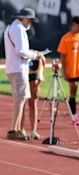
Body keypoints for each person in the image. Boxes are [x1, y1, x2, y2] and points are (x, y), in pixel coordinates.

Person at [4, 8, 45, 140]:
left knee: (19, 99)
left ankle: (16, 129)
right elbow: (21, 51)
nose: (31, 23)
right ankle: (13, 129)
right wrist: (35, 55)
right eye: (30, 20)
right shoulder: (19, 29)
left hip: (12, 67)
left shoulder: (10, 27)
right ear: (25, 18)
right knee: (20, 100)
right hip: (19, 68)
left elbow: (20, 50)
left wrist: (33, 53)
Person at [21, 58, 45, 140]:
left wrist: (37, 86)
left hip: (33, 75)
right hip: (22, 74)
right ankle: (20, 129)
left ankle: (33, 130)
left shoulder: (39, 60)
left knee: (33, 103)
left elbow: (41, 76)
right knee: (22, 104)